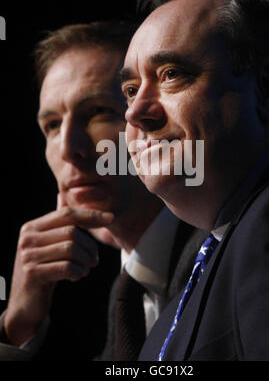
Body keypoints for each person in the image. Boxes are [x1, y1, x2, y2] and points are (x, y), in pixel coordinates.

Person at [0, 20, 205, 361]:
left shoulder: (228, 249)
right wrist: (19, 325)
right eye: (52, 125)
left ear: (151, 119)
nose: (68, 148)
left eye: (97, 112)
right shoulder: (126, 292)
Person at [122, 0, 269, 360]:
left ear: (267, 89)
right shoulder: (211, 258)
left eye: (171, 74)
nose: (135, 112)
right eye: (131, 90)